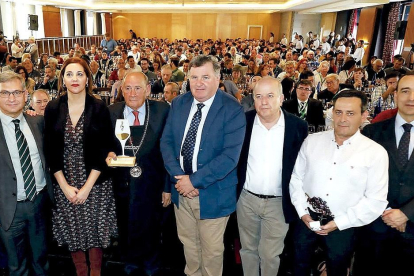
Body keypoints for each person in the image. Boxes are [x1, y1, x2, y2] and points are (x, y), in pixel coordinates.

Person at [160, 55, 246, 276]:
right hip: (181, 191)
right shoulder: (179, 103)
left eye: (205, 77)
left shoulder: (232, 108)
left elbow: (229, 157)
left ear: (218, 78)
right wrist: (180, 177)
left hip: (213, 193)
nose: (199, 83)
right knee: (189, 245)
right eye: (194, 77)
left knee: (211, 252)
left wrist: (193, 181)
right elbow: (167, 142)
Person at [289, 90, 389, 276]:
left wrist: (339, 223)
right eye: (338, 112)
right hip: (307, 220)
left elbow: (376, 200)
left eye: (350, 113)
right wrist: (303, 213)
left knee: (337, 269)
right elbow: (296, 179)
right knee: (298, 266)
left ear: (364, 115)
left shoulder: (375, 152)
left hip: (345, 224)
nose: (343, 118)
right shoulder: (312, 141)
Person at [44, 57, 117, 276]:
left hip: (95, 182)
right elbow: (50, 150)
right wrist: (65, 186)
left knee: (95, 231)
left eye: (79, 74)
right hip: (64, 181)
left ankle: (95, 272)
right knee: (72, 230)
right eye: (69, 74)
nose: (74, 79)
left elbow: (105, 149)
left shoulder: (99, 107)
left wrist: (87, 188)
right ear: (62, 79)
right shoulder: (53, 107)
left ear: (87, 78)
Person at [236, 77, 308, 276]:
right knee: (248, 250)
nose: (264, 102)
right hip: (246, 200)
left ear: (282, 98)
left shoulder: (297, 127)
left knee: (270, 254)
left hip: (279, 202)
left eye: (270, 96)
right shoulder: (244, 122)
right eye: (258, 96)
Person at [106, 72, 171, 276]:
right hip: (123, 183)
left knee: (152, 225)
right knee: (127, 224)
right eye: (127, 88)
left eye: (137, 88)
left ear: (148, 90)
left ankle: (152, 262)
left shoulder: (161, 110)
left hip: (153, 182)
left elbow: (171, 150)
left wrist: (167, 187)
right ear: (121, 90)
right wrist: (107, 153)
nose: (132, 93)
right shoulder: (111, 111)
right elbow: (103, 143)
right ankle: (130, 262)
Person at [355, 73, 414, 276]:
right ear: (395, 95)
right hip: (374, 227)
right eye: (405, 91)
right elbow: (359, 179)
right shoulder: (373, 133)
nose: (411, 98)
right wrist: (386, 211)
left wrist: (406, 213)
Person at [0, 71, 53, 276]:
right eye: (5, 93)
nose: (11, 98)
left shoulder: (37, 122)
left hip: (39, 204)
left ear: (25, 95)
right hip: (8, 210)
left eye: (16, 92)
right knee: (16, 266)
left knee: (42, 261)